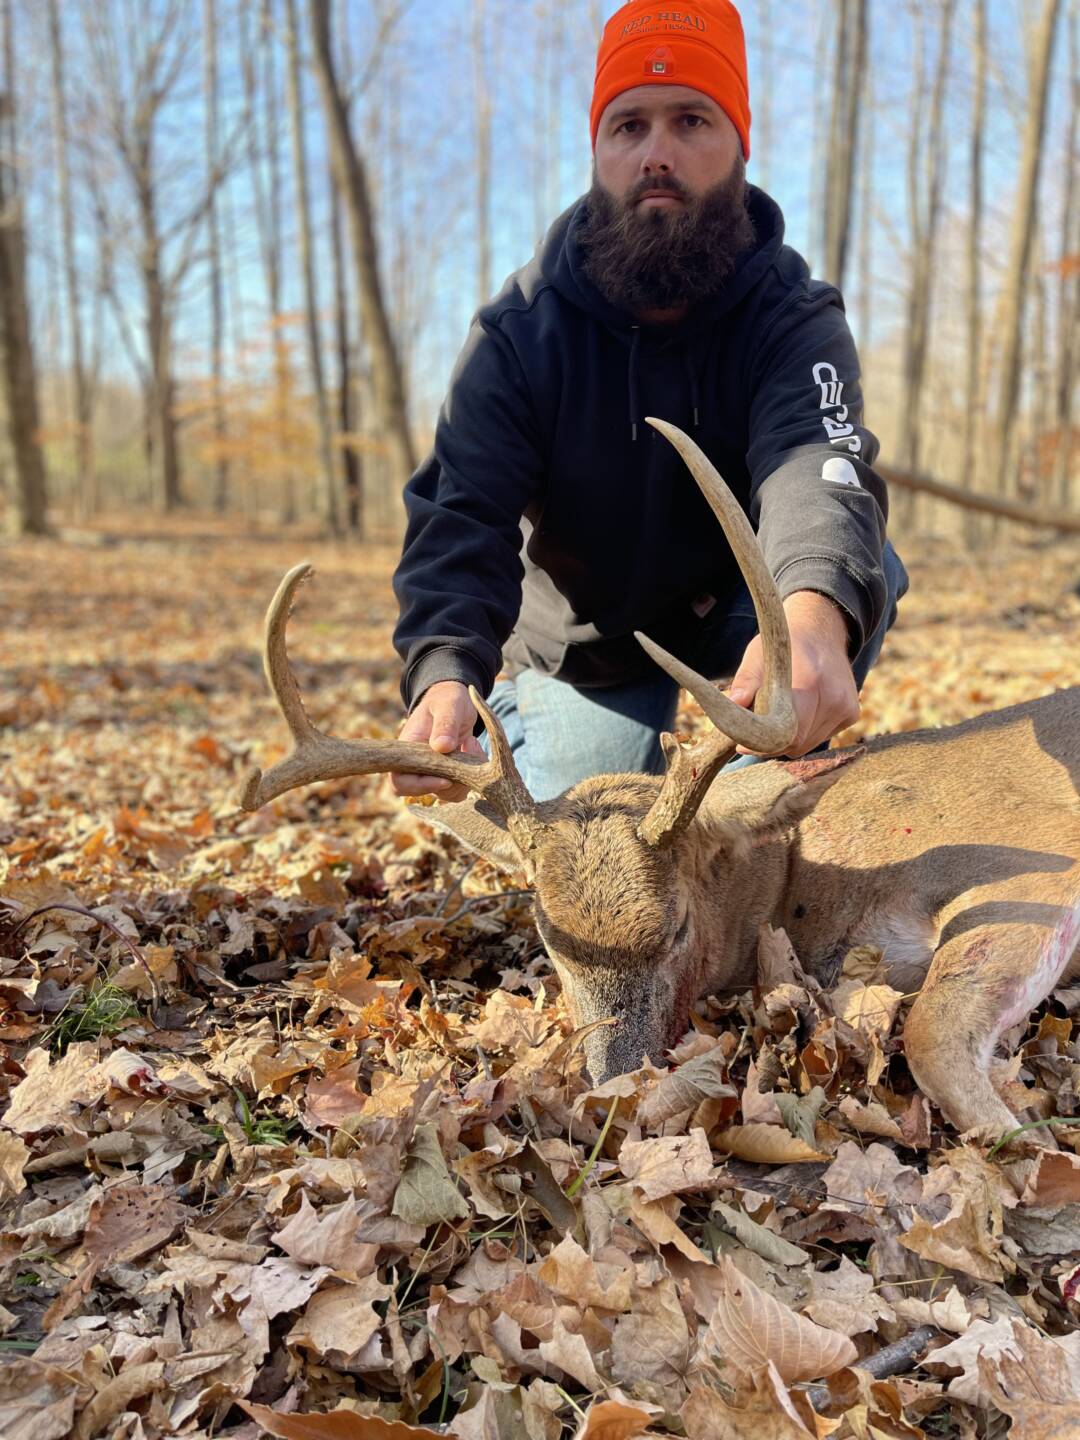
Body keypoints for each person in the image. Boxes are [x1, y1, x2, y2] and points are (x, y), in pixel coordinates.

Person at [391, 0, 907, 804]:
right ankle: (531, 724)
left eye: (691, 120)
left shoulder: (792, 316)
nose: (656, 155)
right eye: (628, 126)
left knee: (852, 575)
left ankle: (756, 789)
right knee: (594, 824)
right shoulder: (518, 334)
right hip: (588, 643)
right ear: (598, 152)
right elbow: (462, 512)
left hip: (745, 610)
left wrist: (810, 618)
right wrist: (444, 670)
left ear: (740, 145)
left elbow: (817, 465)